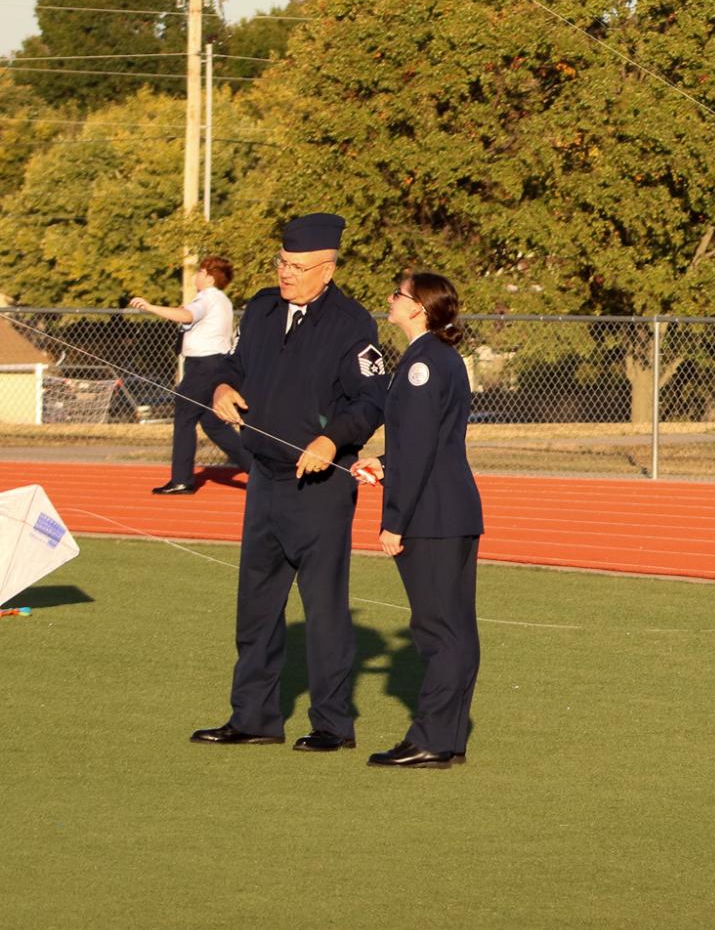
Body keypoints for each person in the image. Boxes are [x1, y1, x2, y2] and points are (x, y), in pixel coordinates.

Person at [190, 213, 389, 751]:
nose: (286, 274)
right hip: (264, 481)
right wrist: (223, 388)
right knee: (255, 608)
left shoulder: (351, 324)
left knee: (324, 611)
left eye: (298, 267)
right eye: (282, 263)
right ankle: (252, 718)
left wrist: (332, 441)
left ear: (327, 268)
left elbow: (370, 400)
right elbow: (233, 364)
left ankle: (331, 725)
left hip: (319, 489)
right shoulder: (260, 308)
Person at [354, 272, 483, 770]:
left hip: (432, 515)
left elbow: (423, 446)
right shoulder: (438, 359)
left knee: (437, 632)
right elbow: (421, 441)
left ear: (420, 308)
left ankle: (430, 738)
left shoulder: (423, 363)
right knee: (456, 630)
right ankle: (447, 737)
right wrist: (384, 464)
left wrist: (394, 520)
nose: (390, 300)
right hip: (450, 508)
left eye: (398, 295)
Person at [130, 255, 251, 494]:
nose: (195, 276)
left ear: (207, 275)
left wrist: (150, 307)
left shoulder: (207, 297)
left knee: (184, 418)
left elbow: (187, 315)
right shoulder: (222, 300)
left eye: (199, 272)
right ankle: (257, 469)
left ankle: (182, 479)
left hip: (204, 365)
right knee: (212, 423)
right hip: (215, 363)